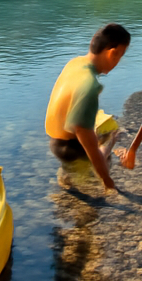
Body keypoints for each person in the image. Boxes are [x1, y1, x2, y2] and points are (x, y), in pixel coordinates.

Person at [45, 23, 130, 194]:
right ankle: (74, 175)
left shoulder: (75, 63)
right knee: (102, 158)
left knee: (102, 134)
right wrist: (105, 178)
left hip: (55, 139)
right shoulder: (89, 85)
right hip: (70, 149)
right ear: (112, 53)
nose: (119, 61)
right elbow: (83, 133)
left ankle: (70, 174)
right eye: (121, 55)